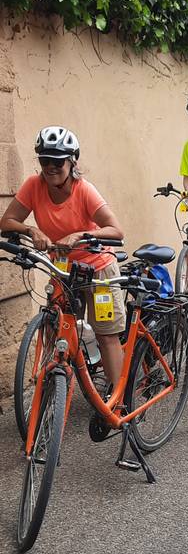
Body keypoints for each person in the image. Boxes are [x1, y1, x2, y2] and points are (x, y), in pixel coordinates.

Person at [0, 127, 126, 387]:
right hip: (62, 268)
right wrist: (31, 229)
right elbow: (7, 222)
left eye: (58, 161)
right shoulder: (34, 186)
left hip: (98, 267)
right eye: (45, 160)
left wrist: (79, 234)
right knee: (54, 325)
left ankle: (118, 404)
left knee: (106, 335)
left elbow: (116, 230)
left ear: (72, 161)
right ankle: (53, 391)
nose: (50, 167)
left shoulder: (84, 190)